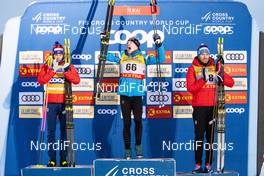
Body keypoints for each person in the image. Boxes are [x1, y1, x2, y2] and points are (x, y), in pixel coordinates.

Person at [99, 34, 165, 159]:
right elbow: (103, 56)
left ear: (137, 45)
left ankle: (138, 148)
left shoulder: (143, 57)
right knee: (127, 123)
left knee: (138, 121)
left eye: (131, 42)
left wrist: (159, 44)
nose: (128, 44)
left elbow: (160, 59)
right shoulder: (122, 56)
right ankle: (127, 150)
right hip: (124, 94)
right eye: (127, 42)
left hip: (137, 95)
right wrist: (103, 42)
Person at [186, 44, 234, 173]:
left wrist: (222, 72)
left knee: (211, 138)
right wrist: (203, 80)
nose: (205, 56)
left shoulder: (215, 67)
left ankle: (208, 164)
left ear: (209, 55)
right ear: (198, 55)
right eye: (202, 54)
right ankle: (197, 164)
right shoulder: (192, 69)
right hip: (199, 108)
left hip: (213, 108)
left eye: (207, 53)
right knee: (199, 137)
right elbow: (190, 88)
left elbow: (231, 83)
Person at [38, 41, 80, 167]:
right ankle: (52, 159)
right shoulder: (47, 66)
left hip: (64, 103)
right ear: (53, 55)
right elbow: (41, 80)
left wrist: (66, 71)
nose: (58, 56)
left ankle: (63, 158)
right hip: (50, 103)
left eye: (60, 54)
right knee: (51, 132)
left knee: (64, 132)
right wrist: (52, 70)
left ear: (63, 55)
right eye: (56, 54)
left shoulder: (68, 66)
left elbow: (77, 80)